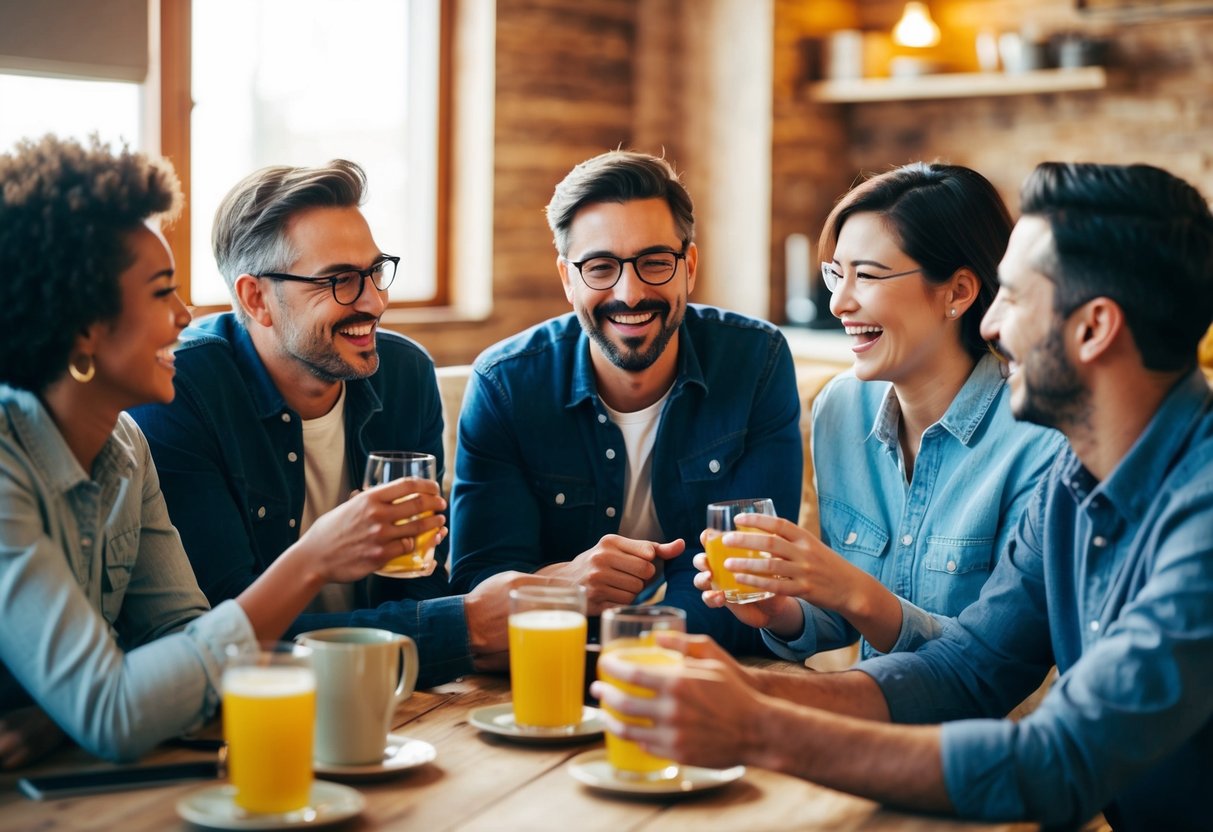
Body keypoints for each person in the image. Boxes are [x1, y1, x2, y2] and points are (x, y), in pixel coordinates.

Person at [595, 161, 1213, 831]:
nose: (990, 325)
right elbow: (967, 669)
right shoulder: (1074, 482)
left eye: (1012, 296)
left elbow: (1056, 759)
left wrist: (761, 729)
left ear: (1092, 328)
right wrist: (747, 686)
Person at [0, 135, 425, 766]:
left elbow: (190, 644)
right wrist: (313, 558)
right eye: (159, 292)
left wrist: (69, 719)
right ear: (85, 326)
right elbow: (116, 711)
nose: (184, 314)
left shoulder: (125, 447)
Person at [129, 160, 513, 688]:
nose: (375, 302)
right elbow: (224, 637)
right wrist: (458, 628)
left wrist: (453, 625)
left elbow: (417, 584)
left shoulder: (405, 374)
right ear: (255, 298)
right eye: (339, 282)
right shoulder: (180, 391)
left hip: (397, 693)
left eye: (376, 272)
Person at [695, 163, 1064, 661]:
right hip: (859, 716)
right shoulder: (840, 408)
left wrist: (852, 590)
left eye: (866, 275)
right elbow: (843, 618)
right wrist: (782, 611)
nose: (838, 303)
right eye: (834, 274)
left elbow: (996, 661)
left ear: (958, 292)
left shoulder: (1040, 438)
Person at [448, 150, 802, 654]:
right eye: (600, 267)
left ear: (690, 267)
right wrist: (570, 585)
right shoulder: (505, 384)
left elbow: (747, 579)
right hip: (544, 667)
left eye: (655, 263)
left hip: (701, 668)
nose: (630, 293)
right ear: (568, 279)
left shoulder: (756, 363)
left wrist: (623, 644)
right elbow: (481, 582)